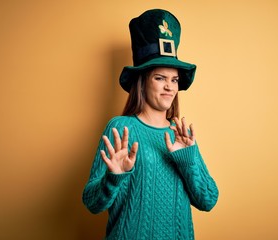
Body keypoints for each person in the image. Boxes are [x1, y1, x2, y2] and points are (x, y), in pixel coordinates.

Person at [82, 9, 219, 239]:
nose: (170, 87)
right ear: (142, 82)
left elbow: (208, 200)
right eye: (160, 78)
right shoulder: (121, 128)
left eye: (174, 80)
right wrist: (112, 177)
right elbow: (92, 203)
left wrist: (187, 161)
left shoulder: (181, 136)